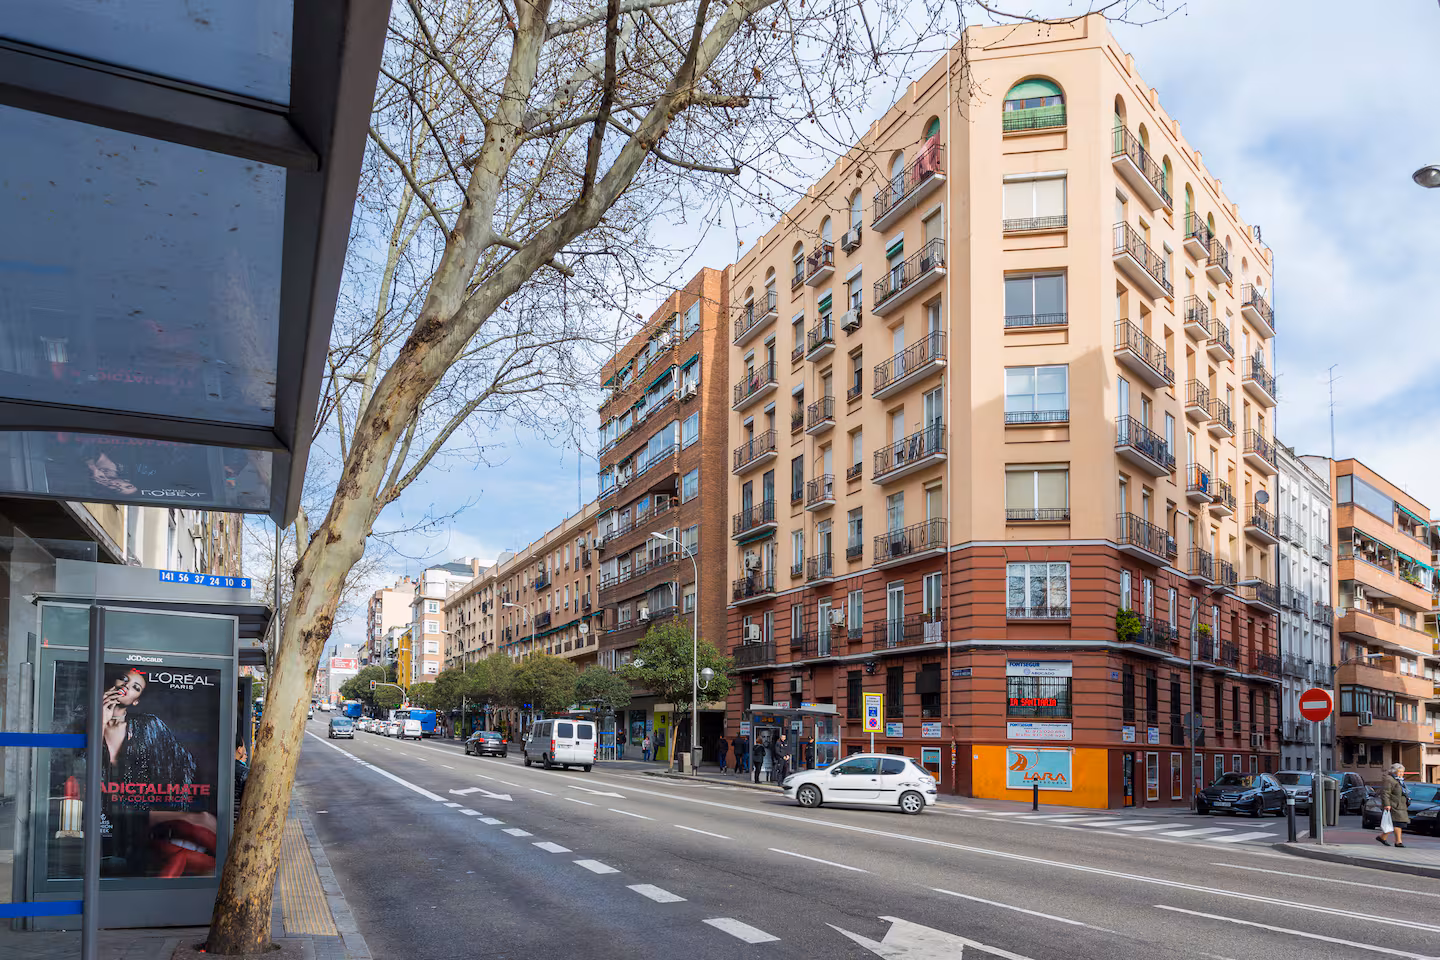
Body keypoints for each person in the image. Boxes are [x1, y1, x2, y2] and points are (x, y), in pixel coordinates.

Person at [1378, 763, 1410, 848]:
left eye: (1402, 772)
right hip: (1394, 805)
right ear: (1394, 772)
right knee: (1397, 823)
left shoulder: (1399, 780)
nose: (1401, 774)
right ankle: (1398, 842)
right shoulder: (1389, 780)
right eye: (1399, 772)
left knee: (1396, 823)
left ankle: (1382, 837)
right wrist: (1387, 804)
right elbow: (1385, 793)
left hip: (1400, 805)